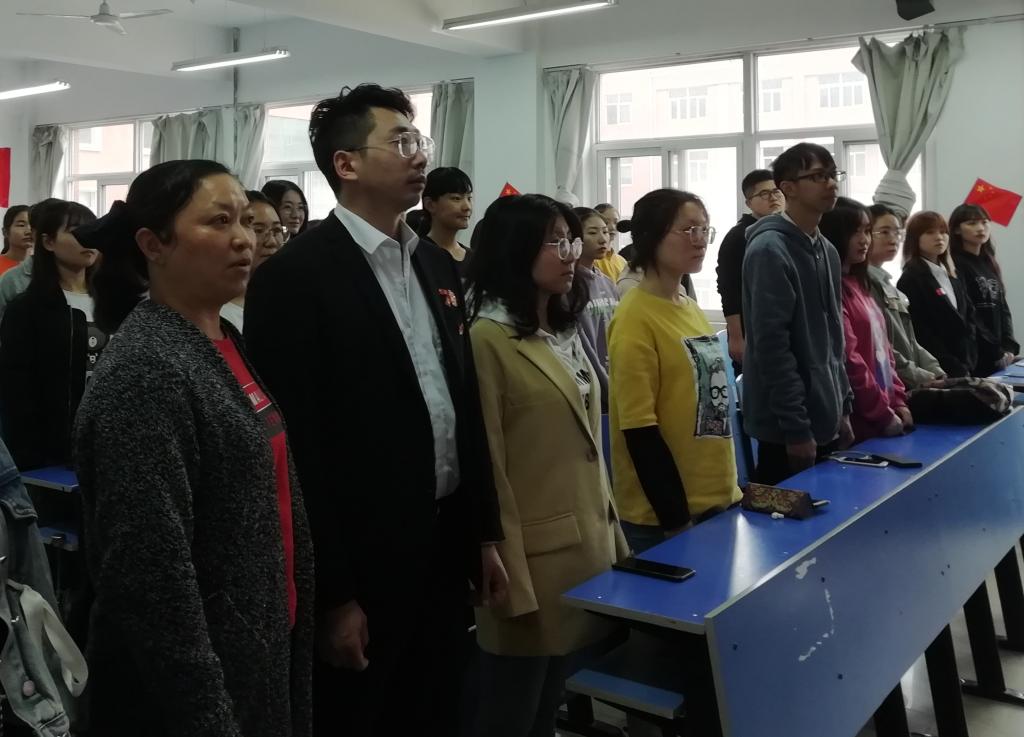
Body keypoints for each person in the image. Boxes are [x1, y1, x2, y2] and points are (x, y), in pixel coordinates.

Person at [243, 84, 507, 737]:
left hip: (444, 543)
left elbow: (460, 404)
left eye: (420, 140)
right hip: (364, 558)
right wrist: (333, 595)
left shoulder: (437, 265)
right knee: (362, 716)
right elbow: (300, 447)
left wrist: (484, 534)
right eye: (401, 141)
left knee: (441, 709)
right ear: (347, 163)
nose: (420, 155)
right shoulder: (295, 277)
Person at [71, 159, 314, 737]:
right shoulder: (147, 369)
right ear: (153, 244)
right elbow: (151, 577)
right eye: (219, 221)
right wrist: (208, 715)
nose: (244, 238)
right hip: (197, 681)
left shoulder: (221, 339)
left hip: (256, 642)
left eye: (247, 221)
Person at [467, 193, 628, 737]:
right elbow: (489, 464)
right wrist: (506, 570)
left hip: (582, 543)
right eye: (555, 242)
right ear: (515, 251)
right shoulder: (486, 338)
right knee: (510, 713)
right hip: (529, 561)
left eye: (571, 240)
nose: (570, 253)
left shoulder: (561, 326)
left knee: (548, 705)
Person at [608, 189, 739, 553]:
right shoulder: (634, 317)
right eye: (688, 230)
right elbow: (639, 430)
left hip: (719, 498)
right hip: (667, 516)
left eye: (704, 230)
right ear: (651, 236)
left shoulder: (688, 306)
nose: (700, 240)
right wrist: (675, 518)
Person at [742, 143, 854, 485]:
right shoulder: (769, 249)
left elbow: (834, 339)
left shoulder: (827, 249)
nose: (831, 184)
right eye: (818, 176)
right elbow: (772, 347)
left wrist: (843, 406)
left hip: (824, 414)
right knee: (787, 514)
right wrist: (796, 427)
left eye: (833, 175)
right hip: (787, 428)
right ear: (788, 188)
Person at [0, 199, 101, 472]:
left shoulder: (111, 302)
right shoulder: (27, 308)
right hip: (50, 451)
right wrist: (29, 455)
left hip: (104, 445)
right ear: (48, 242)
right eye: (76, 231)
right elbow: (16, 388)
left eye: (93, 230)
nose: (89, 238)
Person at [820, 201, 911, 442]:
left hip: (885, 410)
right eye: (855, 232)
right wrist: (882, 413)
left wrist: (898, 400)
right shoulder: (833, 288)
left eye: (867, 231)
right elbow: (851, 360)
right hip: (861, 418)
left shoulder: (860, 284)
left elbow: (884, 351)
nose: (864, 240)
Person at [865, 203, 945, 389]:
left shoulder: (887, 283)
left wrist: (934, 369)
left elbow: (910, 341)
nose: (893, 239)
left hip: (913, 380)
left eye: (897, 232)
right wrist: (921, 376)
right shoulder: (864, 285)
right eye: (884, 232)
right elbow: (881, 347)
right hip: (893, 384)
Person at [715, 170, 785, 366]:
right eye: (764, 194)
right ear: (749, 203)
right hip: (751, 331)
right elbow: (729, 289)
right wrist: (737, 337)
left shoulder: (783, 232)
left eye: (777, 191)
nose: (773, 198)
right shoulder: (739, 236)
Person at [897, 211, 977, 377]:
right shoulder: (911, 278)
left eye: (943, 232)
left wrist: (970, 356)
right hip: (938, 369)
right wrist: (950, 364)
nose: (939, 237)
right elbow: (921, 331)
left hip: (966, 362)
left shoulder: (952, 274)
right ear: (915, 238)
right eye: (930, 232)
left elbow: (969, 316)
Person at [949, 203, 1018, 375]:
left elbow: (1002, 308)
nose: (980, 228)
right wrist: (994, 349)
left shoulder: (988, 263)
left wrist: (1009, 345)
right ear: (957, 230)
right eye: (972, 223)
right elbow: (968, 313)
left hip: (1000, 353)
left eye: (985, 222)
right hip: (974, 353)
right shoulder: (955, 263)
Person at [220, 190, 287, 332]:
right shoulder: (219, 315)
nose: (272, 242)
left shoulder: (291, 296)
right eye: (258, 230)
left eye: (277, 230)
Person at [572, 206, 618, 410]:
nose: (602, 239)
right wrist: (606, 388)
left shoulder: (608, 283)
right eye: (592, 232)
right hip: (592, 388)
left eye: (605, 232)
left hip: (617, 381)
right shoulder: (570, 286)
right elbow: (583, 346)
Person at [420, 166, 474, 277]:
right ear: (430, 204)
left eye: (469, 198)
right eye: (456, 198)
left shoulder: (473, 259)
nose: (467, 207)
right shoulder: (417, 254)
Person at [593, 203, 628, 281]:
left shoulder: (622, 261)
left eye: (616, 222)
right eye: (606, 222)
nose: (612, 227)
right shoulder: (591, 260)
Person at [0, 205, 33, 275]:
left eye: (32, 225)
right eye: (21, 225)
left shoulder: (42, 266)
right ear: (5, 232)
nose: (29, 231)